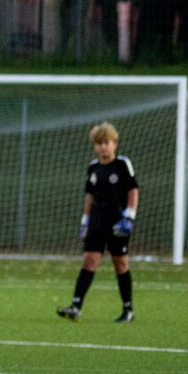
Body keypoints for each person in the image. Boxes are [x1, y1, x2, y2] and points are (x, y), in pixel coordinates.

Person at [57, 122, 139, 323]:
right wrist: (85, 221)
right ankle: (75, 306)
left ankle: (128, 309)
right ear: (95, 146)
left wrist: (129, 217)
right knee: (89, 260)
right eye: (99, 143)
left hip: (117, 222)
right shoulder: (93, 168)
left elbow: (133, 191)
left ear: (114, 143)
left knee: (120, 263)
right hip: (96, 222)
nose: (103, 147)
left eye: (106, 142)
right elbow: (90, 196)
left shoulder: (122, 164)